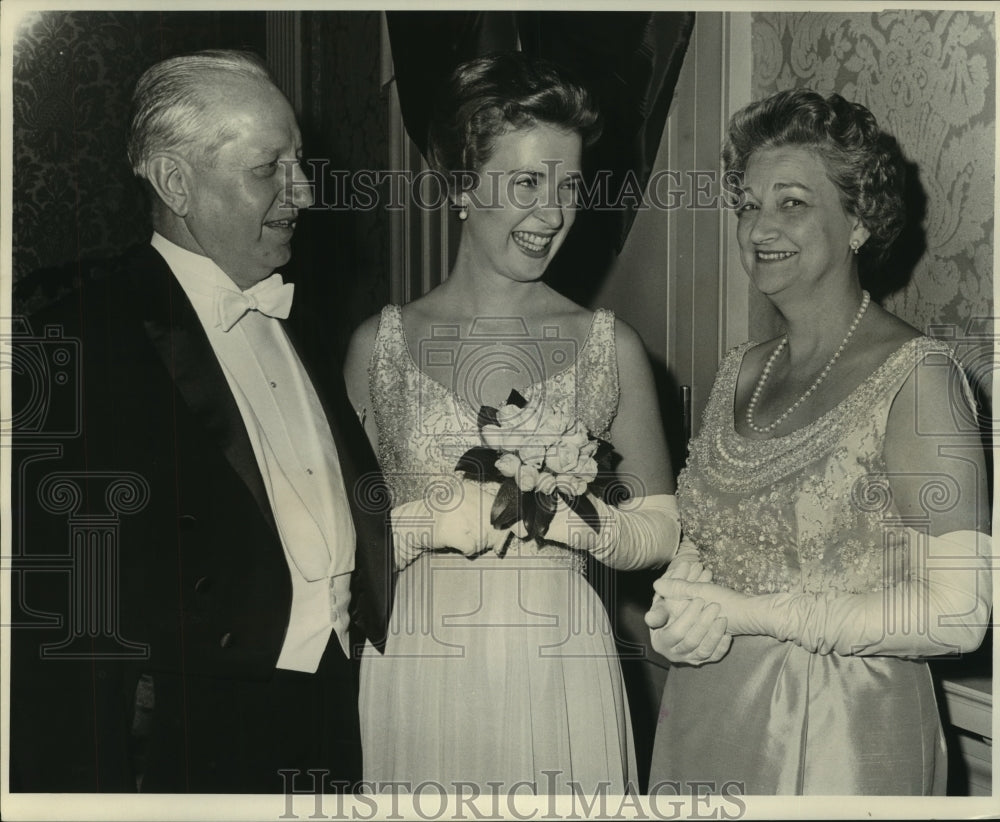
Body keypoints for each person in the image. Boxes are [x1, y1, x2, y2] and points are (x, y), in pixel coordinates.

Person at [10, 49, 392, 793]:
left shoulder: (302, 324)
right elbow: (58, 614)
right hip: (187, 745)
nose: (304, 192)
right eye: (268, 169)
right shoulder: (76, 339)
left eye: (301, 162)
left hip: (330, 714)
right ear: (175, 182)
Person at [343, 51, 681, 794]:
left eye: (568, 185)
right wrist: (433, 518)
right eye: (526, 182)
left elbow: (662, 529)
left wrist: (568, 520)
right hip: (416, 668)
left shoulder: (610, 347)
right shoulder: (378, 347)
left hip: (561, 662)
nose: (553, 213)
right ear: (462, 185)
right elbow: (339, 547)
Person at [644, 88, 992, 795]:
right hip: (706, 710)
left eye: (792, 203)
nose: (759, 227)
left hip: (843, 733)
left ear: (859, 220)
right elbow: (703, 543)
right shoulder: (740, 368)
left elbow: (960, 614)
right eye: (747, 204)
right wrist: (674, 605)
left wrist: (755, 613)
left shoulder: (920, 379)